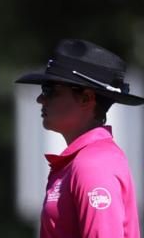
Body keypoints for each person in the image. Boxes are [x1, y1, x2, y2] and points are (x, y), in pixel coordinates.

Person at [15, 38, 143, 238]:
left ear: (86, 98)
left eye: (51, 91)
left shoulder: (93, 164)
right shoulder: (81, 162)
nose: (40, 99)